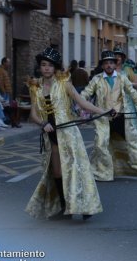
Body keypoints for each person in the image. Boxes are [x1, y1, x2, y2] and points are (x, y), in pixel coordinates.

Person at [25, 47, 108, 220]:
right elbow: (33, 114)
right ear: (40, 67)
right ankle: (64, 207)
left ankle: (85, 206)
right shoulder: (35, 87)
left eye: (50, 65)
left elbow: (83, 103)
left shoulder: (65, 84)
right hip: (51, 135)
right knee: (57, 173)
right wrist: (43, 123)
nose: (46, 68)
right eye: (43, 65)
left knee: (76, 169)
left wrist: (104, 111)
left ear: (55, 67)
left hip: (68, 133)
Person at [81, 51, 137, 182]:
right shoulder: (96, 79)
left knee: (133, 144)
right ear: (102, 66)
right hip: (103, 118)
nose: (109, 65)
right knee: (101, 144)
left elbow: (133, 94)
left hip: (121, 117)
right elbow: (85, 94)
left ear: (115, 65)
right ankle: (103, 172)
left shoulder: (122, 78)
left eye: (111, 62)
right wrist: (82, 107)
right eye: (106, 63)